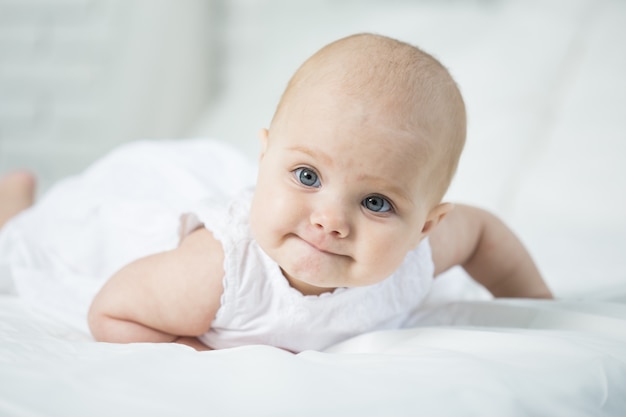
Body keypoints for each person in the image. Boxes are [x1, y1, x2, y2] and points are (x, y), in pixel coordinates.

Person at [0, 33, 552, 353]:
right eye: (307, 176)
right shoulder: (214, 274)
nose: (331, 220)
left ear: (425, 228)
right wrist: (202, 358)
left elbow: (483, 234)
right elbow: (112, 311)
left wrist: (541, 309)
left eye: (376, 203)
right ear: (266, 158)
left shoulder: (422, 256)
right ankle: (15, 207)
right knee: (35, 244)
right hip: (132, 228)